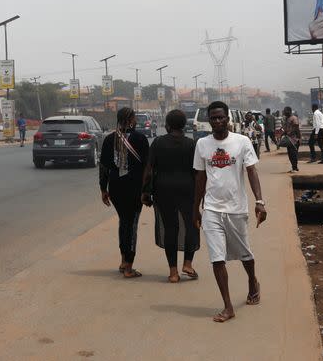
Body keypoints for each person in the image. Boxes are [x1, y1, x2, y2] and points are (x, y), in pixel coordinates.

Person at [193, 101, 266, 323]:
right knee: (217, 259)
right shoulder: (202, 145)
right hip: (212, 209)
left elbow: (251, 171)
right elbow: (200, 177)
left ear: (228, 119)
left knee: (245, 255)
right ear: (209, 121)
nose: (217, 121)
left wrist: (260, 201)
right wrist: (195, 207)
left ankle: (252, 281)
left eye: (220, 117)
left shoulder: (242, 142)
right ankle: (228, 307)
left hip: (236, 209)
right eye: (213, 118)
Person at [141, 109, 199, 283]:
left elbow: (149, 170)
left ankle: (173, 272)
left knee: (170, 229)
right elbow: (198, 172)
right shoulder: (192, 144)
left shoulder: (158, 143)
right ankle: (187, 264)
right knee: (192, 226)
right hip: (187, 189)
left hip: (163, 190)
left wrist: (145, 192)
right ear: (184, 125)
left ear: (167, 125)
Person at [99, 107, 149, 278]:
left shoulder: (109, 140)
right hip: (134, 189)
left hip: (115, 189)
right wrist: (147, 189)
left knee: (123, 223)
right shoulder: (140, 139)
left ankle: (122, 260)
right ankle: (129, 266)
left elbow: (104, 167)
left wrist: (103, 189)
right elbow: (147, 168)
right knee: (132, 225)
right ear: (132, 120)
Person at [281, 106, 301, 173]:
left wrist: (299, 138)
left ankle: (295, 168)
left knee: (293, 154)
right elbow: (287, 129)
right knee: (290, 154)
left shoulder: (294, 118)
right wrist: (283, 134)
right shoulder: (286, 119)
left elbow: (296, 129)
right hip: (289, 140)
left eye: (285, 111)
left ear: (289, 111)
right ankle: (294, 167)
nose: (284, 112)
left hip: (294, 139)